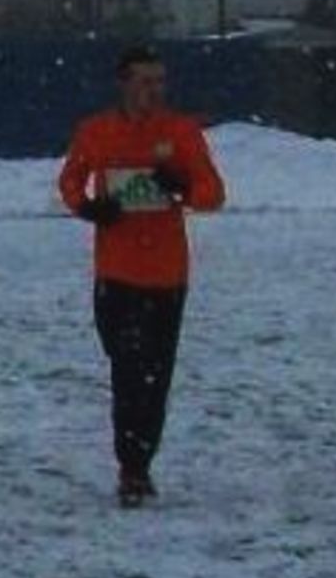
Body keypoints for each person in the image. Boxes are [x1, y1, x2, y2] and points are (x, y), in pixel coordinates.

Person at [55, 45, 228, 507]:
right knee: (126, 365)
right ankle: (132, 458)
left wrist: (183, 187)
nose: (155, 90)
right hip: (116, 273)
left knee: (152, 373)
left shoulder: (180, 132)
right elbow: (70, 181)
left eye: (160, 81)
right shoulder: (96, 132)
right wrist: (89, 207)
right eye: (146, 81)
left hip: (166, 275)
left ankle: (136, 464)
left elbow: (214, 194)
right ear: (124, 84)